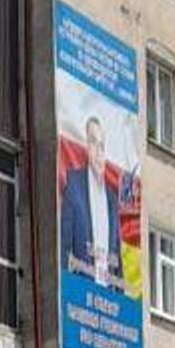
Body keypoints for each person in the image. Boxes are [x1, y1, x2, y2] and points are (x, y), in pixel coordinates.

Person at [59, 115, 122, 286]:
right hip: (80, 295)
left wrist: (121, 300)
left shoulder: (112, 200)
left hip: (108, 302)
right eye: (94, 143)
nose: (99, 152)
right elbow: (63, 246)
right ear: (87, 146)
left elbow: (118, 262)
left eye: (102, 146)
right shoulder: (75, 186)